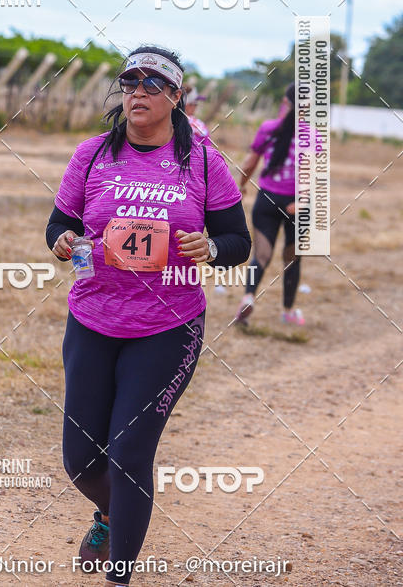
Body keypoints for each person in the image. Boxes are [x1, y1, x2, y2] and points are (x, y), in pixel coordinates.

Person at [45, 45, 251, 586]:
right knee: (81, 458)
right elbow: (58, 224)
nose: (137, 91)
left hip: (169, 325)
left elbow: (239, 240)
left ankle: (120, 577)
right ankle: (111, 514)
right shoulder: (91, 154)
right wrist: (63, 241)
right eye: (130, 82)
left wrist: (210, 248)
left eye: (151, 84)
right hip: (92, 316)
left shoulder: (202, 160)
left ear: (175, 97)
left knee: (130, 451)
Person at [235, 82, 306, 326]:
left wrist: (241, 185)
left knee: (262, 255)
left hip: (266, 200)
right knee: (292, 258)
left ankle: (248, 297)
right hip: (295, 206)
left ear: (285, 103)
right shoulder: (313, 137)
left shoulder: (267, 128)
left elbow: (249, 163)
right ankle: (287, 312)